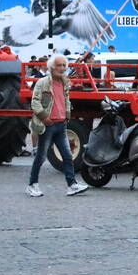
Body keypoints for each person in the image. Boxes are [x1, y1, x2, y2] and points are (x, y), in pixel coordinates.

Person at [27, 55, 88, 198]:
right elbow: (35, 102)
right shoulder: (42, 83)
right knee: (41, 157)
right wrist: (44, 117)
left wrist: (67, 114)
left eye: (64, 65)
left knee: (67, 156)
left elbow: (66, 99)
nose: (62, 68)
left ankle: (71, 185)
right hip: (48, 125)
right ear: (52, 67)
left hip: (61, 125)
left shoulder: (65, 82)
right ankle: (32, 185)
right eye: (59, 65)